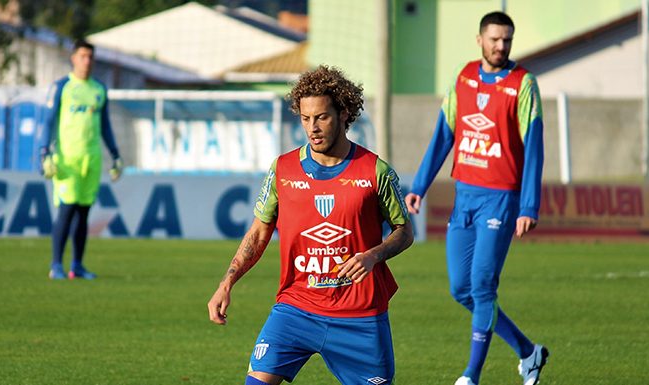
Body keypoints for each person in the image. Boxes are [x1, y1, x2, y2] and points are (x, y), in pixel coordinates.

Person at [208, 65, 414, 385]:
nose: (312, 128)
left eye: (321, 117)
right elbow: (259, 232)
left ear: (344, 113)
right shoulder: (283, 169)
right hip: (296, 309)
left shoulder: (376, 171)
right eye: (305, 118)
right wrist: (227, 283)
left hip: (359, 317)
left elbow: (404, 231)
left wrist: (373, 255)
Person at [404, 12, 548, 385]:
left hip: (501, 198)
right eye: (495, 39)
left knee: (483, 286)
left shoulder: (523, 84)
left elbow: (534, 149)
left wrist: (529, 205)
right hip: (463, 195)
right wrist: (419, 185)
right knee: (461, 290)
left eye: (507, 40)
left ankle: (471, 375)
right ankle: (529, 353)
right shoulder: (464, 77)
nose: (501, 46)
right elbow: (444, 133)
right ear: (480, 39)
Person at [40, 39, 123, 280]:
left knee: (84, 214)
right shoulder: (62, 87)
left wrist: (115, 155)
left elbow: (105, 126)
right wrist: (44, 152)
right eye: (83, 56)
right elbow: (47, 121)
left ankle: (77, 265)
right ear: (73, 58)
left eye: (90, 57)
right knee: (66, 211)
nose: (87, 61)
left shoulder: (98, 89)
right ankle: (56, 265)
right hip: (67, 159)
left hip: (92, 159)